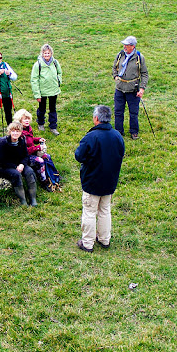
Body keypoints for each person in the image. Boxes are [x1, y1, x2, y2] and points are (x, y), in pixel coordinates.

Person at [74, 105, 125, 253]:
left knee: (89, 212)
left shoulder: (91, 137)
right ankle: (104, 239)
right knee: (104, 210)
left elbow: (79, 156)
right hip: (110, 180)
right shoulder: (117, 135)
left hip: (92, 181)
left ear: (96, 118)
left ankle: (87, 243)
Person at [112, 36, 149, 139]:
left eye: (127, 45)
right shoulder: (120, 55)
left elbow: (144, 74)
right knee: (118, 111)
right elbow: (114, 67)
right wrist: (115, 76)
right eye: (124, 45)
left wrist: (142, 89)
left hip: (133, 90)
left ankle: (134, 132)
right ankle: (118, 132)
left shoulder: (139, 57)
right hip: (120, 88)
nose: (124, 47)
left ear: (132, 46)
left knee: (133, 112)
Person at [0, 121, 38, 206]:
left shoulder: (22, 141)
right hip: (4, 166)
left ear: (21, 132)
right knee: (16, 174)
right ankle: (23, 201)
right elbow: (1, 160)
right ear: (9, 132)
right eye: (13, 131)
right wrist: (15, 167)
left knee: (29, 172)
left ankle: (33, 199)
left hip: (19, 164)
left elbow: (26, 156)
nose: (15, 133)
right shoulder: (3, 143)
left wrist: (22, 164)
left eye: (17, 131)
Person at [13, 109, 54, 192]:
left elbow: (30, 140)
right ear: (19, 120)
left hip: (31, 151)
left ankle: (53, 175)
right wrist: (37, 148)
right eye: (25, 119)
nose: (27, 120)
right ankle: (44, 181)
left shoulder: (28, 128)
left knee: (47, 156)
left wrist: (38, 140)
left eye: (28, 118)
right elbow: (24, 150)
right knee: (40, 161)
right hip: (23, 157)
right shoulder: (18, 133)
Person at [30, 44, 62, 136]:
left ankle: (53, 126)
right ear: (42, 54)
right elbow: (34, 79)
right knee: (42, 108)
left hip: (53, 90)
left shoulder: (55, 63)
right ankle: (40, 123)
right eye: (45, 53)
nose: (47, 55)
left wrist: (58, 82)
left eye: (48, 53)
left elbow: (59, 72)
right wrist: (37, 94)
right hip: (42, 91)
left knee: (53, 108)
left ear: (51, 53)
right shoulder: (38, 65)